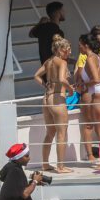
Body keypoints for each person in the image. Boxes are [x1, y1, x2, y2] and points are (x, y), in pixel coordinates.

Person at [34, 35, 73, 174]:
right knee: (62, 133)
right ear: (61, 50)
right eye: (68, 49)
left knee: (50, 133)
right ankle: (61, 166)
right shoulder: (61, 62)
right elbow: (62, 79)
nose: (70, 52)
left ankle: (45, 164)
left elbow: (36, 76)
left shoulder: (48, 61)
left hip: (46, 98)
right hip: (56, 98)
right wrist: (70, 88)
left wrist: (45, 85)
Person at [78, 34, 100, 168]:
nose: (78, 47)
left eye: (80, 44)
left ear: (86, 45)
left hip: (99, 93)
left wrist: (84, 85)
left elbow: (96, 79)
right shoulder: (98, 57)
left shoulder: (90, 59)